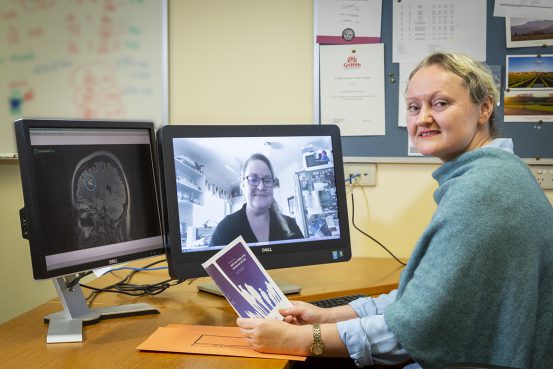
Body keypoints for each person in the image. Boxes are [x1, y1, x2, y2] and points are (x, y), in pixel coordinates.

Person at [236, 52, 553, 368]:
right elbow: (420, 300)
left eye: (440, 103)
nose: (423, 118)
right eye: (414, 107)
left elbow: (410, 331)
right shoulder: (496, 173)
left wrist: (301, 339)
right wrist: (329, 315)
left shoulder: (483, 192)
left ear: (484, 108)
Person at [210, 153, 303, 246]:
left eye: (267, 180)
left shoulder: (291, 226)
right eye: (253, 179)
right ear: (243, 184)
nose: (261, 186)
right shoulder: (226, 228)